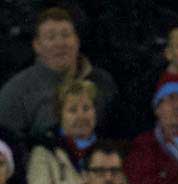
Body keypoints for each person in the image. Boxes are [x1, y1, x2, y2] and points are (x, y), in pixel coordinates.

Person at [0, 8, 116, 143]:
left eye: (66, 35)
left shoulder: (103, 82)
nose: (60, 43)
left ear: (77, 41)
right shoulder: (16, 92)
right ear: (37, 46)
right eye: (51, 37)